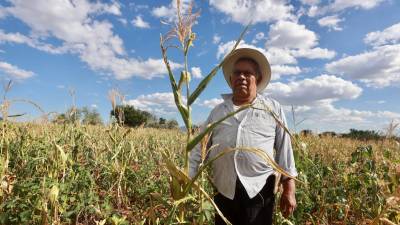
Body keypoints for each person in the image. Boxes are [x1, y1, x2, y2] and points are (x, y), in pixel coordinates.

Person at [189, 48, 298, 225]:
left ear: (258, 78)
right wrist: (187, 178)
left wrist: (289, 189)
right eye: (237, 73)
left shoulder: (272, 108)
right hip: (223, 190)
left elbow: (285, 150)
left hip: (259, 190)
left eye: (248, 73)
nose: (241, 77)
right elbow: (199, 148)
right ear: (231, 80)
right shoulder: (218, 112)